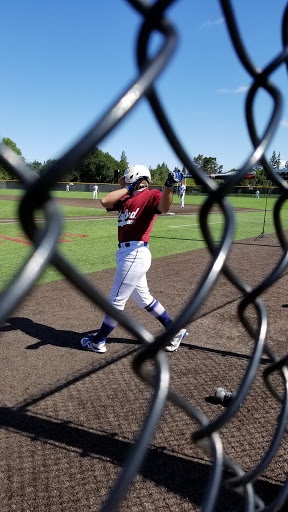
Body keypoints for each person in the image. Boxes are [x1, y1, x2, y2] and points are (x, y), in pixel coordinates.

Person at [80, 165, 188, 354]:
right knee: (143, 299)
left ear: (135, 176)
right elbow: (105, 201)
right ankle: (174, 331)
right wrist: (130, 188)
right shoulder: (127, 197)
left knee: (115, 301)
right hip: (127, 254)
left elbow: (163, 207)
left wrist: (168, 186)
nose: (125, 182)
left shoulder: (151, 194)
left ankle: (98, 341)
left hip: (135, 253)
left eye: (127, 179)